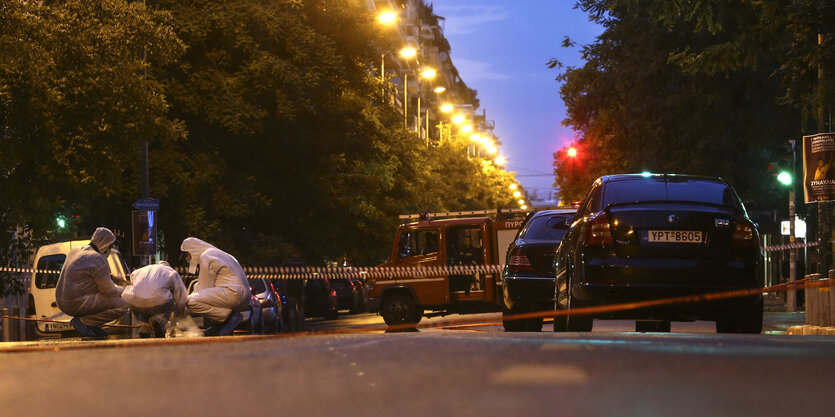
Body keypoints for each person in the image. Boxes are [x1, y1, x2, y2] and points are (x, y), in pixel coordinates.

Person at [55, 227, 128, 339]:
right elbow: (109, 290)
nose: (110, 250)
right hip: (76, 303)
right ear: (105, 244)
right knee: (123, 304)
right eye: (110, 246)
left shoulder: (76, 250)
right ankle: (85, 322)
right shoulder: (98, 258)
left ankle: (91, 326)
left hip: (61, 302)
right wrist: (125, 290)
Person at [181, 237, 252, 336]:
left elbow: (204, 286)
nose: (187, 258)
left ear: (192, 250)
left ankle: (229, 318)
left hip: (233, 293)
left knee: (191, 301)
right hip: (241, 294)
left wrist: (183, 304)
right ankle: (225, 323)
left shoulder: (206, 256)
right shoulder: (218, 254)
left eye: (187, 255)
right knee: (198, 293)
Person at [121, 260, 188, 338]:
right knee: (172, 302)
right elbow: (181, 297)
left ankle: (143, 327)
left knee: (139, 302)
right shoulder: (171, 271)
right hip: (159, 301)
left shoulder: (138, 271)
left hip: (136, 301)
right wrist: (180, 316)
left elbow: (139, 290)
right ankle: (160, 320)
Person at [282, 247, 307, 332]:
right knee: (301, 309)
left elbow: (284, 276)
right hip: (299, 286)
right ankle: (300, 327)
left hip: (290, 287)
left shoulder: (287, 262)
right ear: (299, 253)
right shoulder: (302, 262)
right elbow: (305, 276)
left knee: (291, 309)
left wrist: (285, 287)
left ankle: (293, 328)